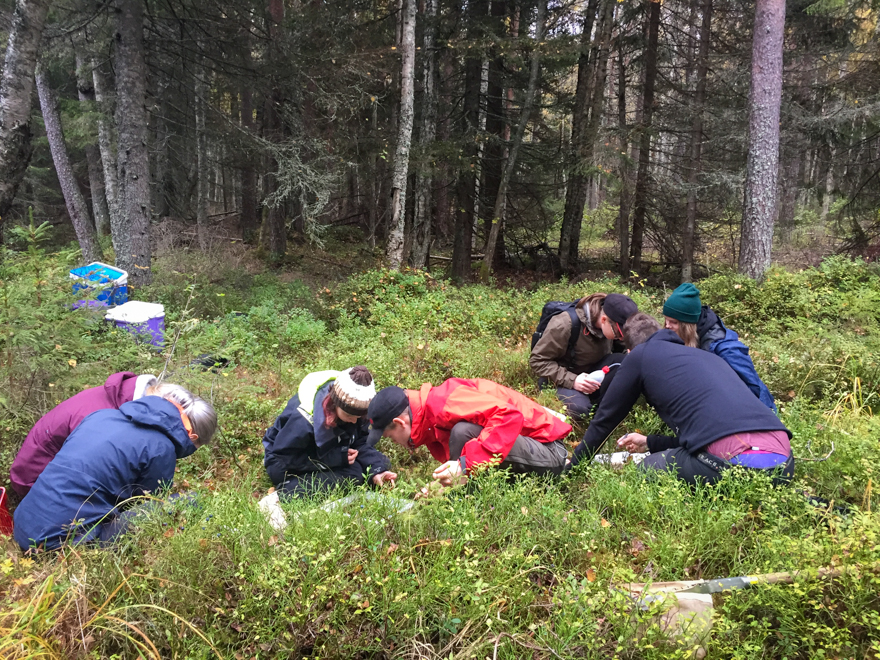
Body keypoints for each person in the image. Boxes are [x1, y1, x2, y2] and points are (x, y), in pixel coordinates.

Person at [569, 313, 794, 486]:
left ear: (629, 351)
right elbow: (709, 435)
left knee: (646, 467)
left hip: (733, 465)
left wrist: (571, 472)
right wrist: (650, 442)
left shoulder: (641, 355)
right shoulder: (707, 357)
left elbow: (605, 420)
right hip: (784, 463)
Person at [13, 383, 216, 551]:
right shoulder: (162, 448)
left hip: (22, 527)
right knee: (190, 501)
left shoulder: (101, 415)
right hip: (61, 544)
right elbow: (144, 503)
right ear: (192, 437)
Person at [366, 378, 572, 486]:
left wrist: (464, 467)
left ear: (400, 423)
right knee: (463, 436)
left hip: (551, 453)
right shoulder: (428, 419)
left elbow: (509, 417)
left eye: (390, 437)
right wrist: (442, 485)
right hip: (532, 450)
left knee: (464, 432)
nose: (395, 443)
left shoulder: (443, 401)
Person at [10, 371, 158, 496]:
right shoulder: (100, 418)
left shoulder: (120, 394)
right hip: (34, 480)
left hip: (41, 463)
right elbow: (93, 467)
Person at [262, 367, 396, 498]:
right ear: (335, 404)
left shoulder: (358, 411)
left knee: (381, 463)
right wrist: (337, 458)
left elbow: (360, 441)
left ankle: (374, 475)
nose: (355, 421)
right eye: (349, 415)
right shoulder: (304, 419)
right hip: (283, 460)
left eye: (360, 416)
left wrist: (377, 470)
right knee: (354, 474)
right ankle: (285, 492)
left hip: (325, 451)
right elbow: (284, 457)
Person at [662, 283, 776, 411]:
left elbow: (754, 388)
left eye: (674, 322)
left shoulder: (726, 350)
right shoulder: (686, 337)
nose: (667, 326)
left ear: (687, 325)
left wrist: (767, 420)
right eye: (666, 320)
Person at [530, 293, 638, 420]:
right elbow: (537, 361)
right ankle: (589, 404)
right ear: (604, 320)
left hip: (592, 372)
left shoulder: (611, 322)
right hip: (561, 378)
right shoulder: (565, 323)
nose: (621, 338)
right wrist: (573, 380)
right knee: (580, 410)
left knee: (625, 361)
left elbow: (624, 347)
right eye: (618, 334)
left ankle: (600, 406)